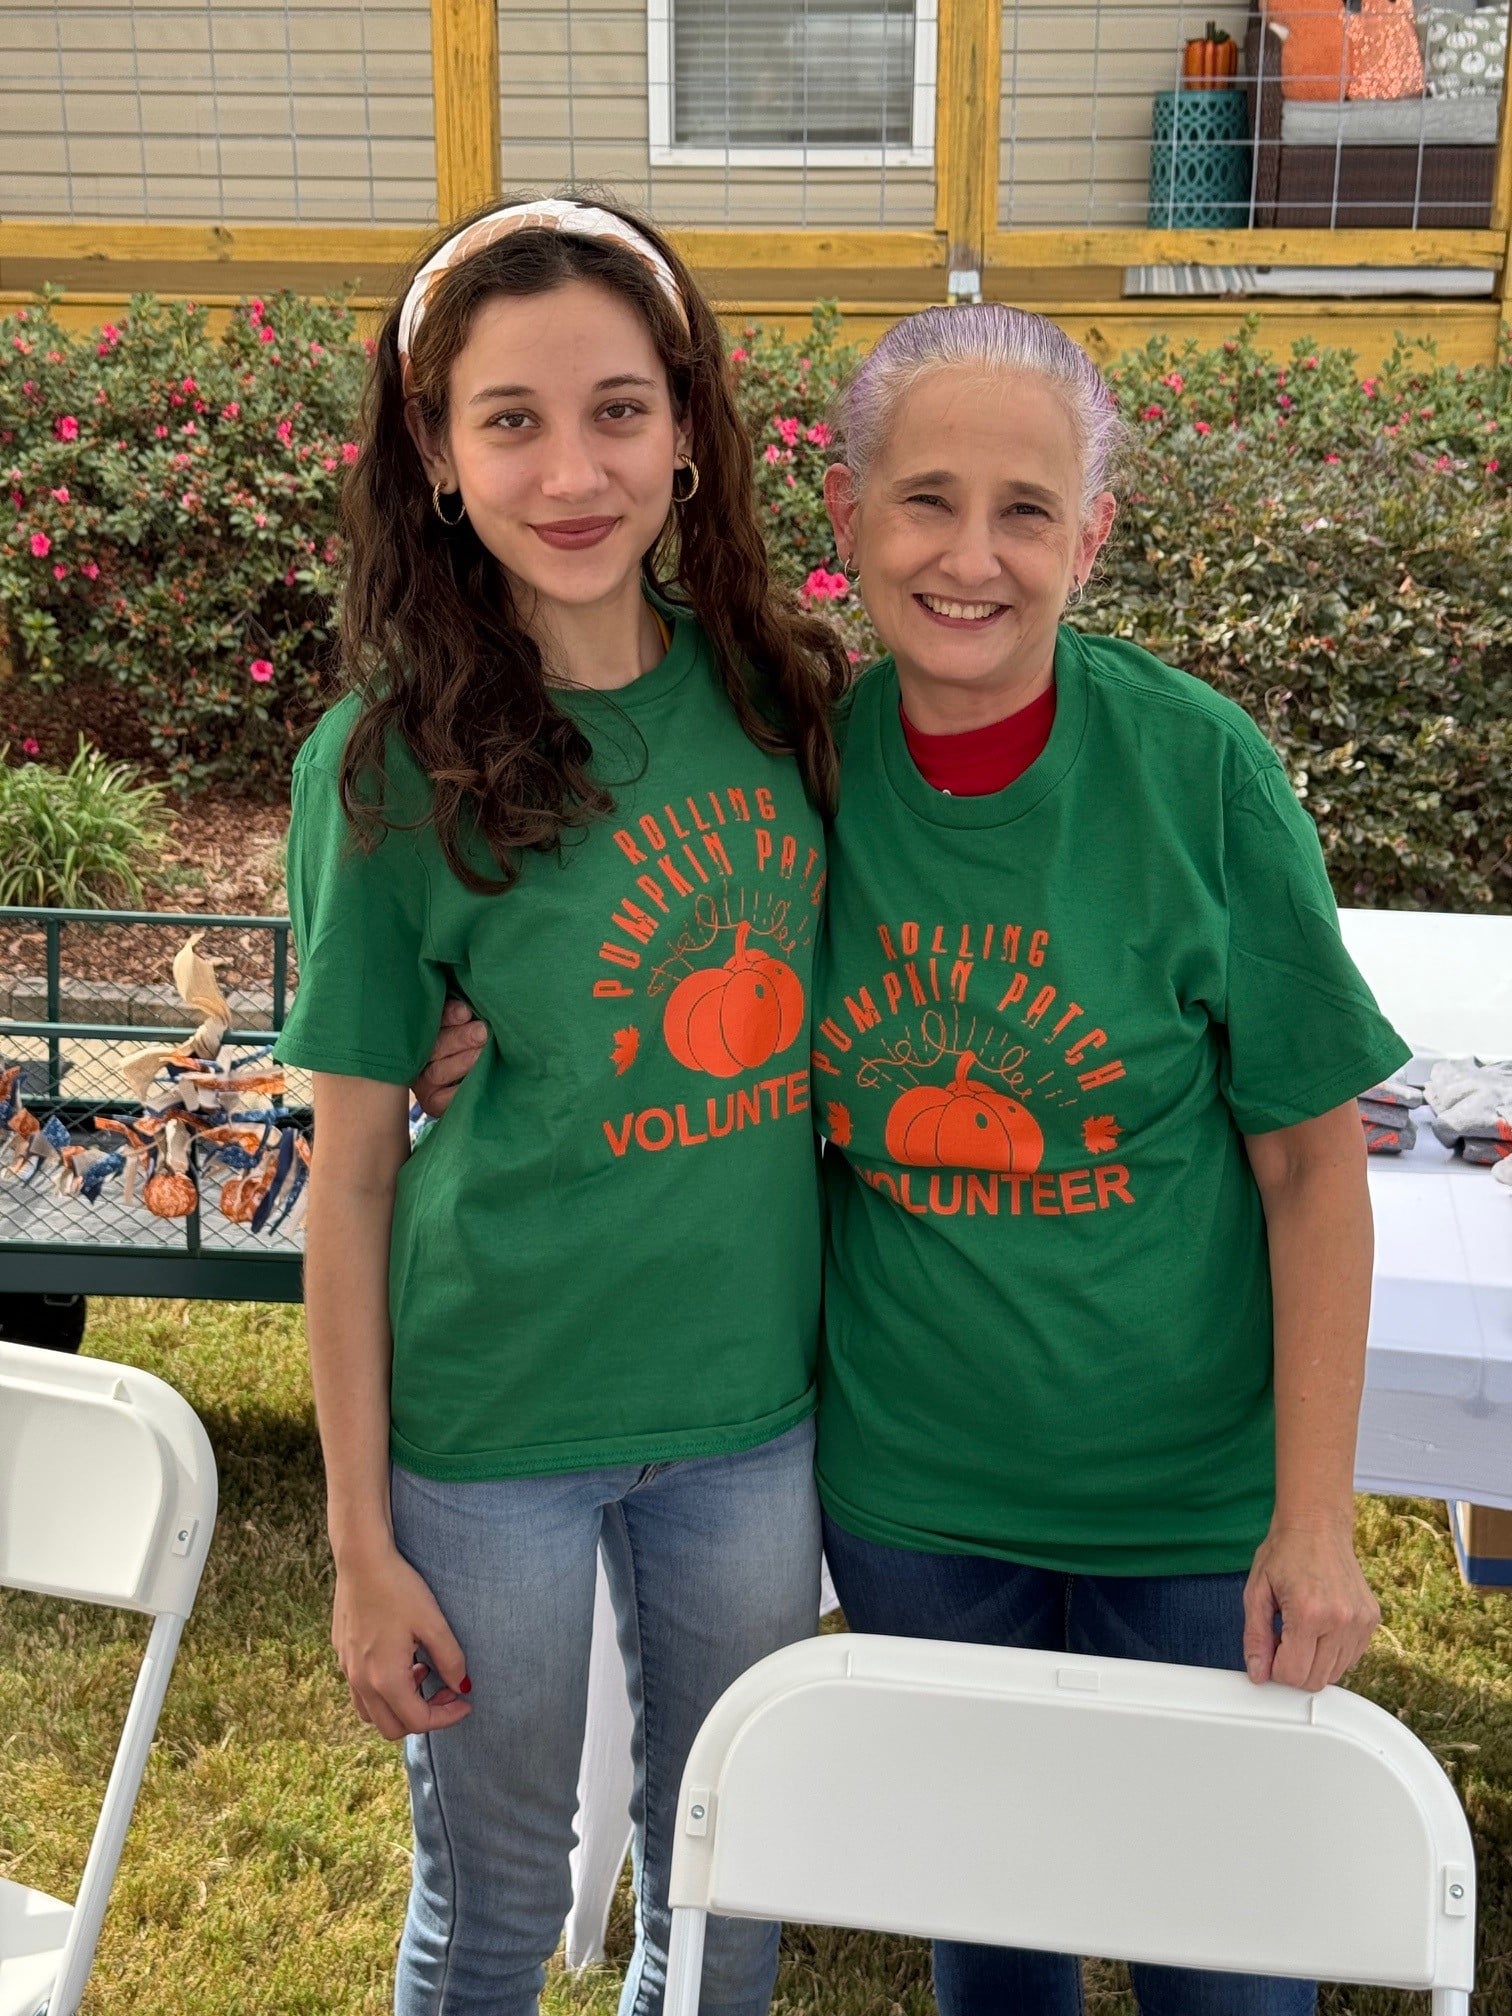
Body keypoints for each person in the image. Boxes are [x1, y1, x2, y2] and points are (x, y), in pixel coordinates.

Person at [415, 303, 1408, 2016]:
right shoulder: (802, 762)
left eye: (1027, 511)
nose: (970, 557)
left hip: (1189, 1506)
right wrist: (482, 1016)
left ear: (1090, 536)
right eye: (926, 500)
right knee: (993, 1946)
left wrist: (1316, 1516)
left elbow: (1316, 1169)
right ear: (850, 515)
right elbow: (651, 938)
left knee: (1225, 1969)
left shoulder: (1198, 774)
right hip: (918, 1504)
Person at [273, 195, 848, 2016]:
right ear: (437, 455)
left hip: (748, 1416)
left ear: (686, 429)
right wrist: (359, 1547)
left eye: (616, 410)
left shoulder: (788, 700)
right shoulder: (384, 770)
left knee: (729, 1884)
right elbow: (350, 1182)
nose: (573, 471)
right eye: (510, 420)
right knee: (501, 1899)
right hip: (491, 1424)